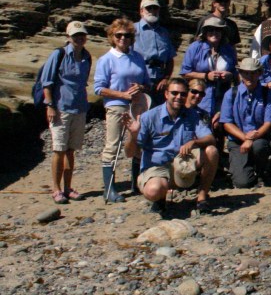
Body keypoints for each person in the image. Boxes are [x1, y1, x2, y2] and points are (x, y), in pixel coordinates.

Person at [124, 77, 219, 215]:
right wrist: (133, 135)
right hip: (158, 166)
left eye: (183, 94)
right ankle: (160, 196)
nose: (179, 97)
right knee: (153, 191)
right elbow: (129, 153)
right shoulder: (149, 117)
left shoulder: (192, 115)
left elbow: (210, 138)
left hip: (182, 162)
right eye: (174, 93)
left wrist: (194, 142)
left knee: (211, 151)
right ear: (166, 94)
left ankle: (202, 197)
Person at [93, 18, 150, 202]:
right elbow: (99, 88)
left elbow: (147, 82)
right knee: (113, 145)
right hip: (116, 106)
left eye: (127, 35)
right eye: (119, 35)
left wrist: (140, 87)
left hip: (138, 104)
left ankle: (137, 183)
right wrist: (122, 95)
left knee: (139, 141)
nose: (123, 38)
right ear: (112, 37)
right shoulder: (106, 60)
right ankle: (109, 189)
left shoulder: (138, 57)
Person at [42, 22, 92, 204]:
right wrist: (50, 105)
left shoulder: (87, 57)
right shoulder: (59, 54)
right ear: (69, 37)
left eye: (82, 35)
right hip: (61, 108)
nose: (79, 38)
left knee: (71, 150)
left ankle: (68, 188)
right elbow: (47, 82)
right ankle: (56, 189)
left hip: (79, 108)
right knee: (59, 149)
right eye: (76, 35)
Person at [220, 58, 271, 188]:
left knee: (259, 147)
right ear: (240, 73)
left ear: (259, 73)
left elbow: (268, 123)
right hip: (238, 140)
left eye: (253, 73)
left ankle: (261, 171)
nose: (249, 76)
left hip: (259, 138)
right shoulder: (231, 94)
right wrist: (245, 138)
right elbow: (227, 123)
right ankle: (245, 167)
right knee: (242, 182)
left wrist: (251, 139)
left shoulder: (267, 94)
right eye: (245, 73)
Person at [181, 17, 238, 128]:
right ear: (205, 32)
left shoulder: (229, 50)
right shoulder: (195, 47)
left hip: (221, 96)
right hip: (199, 96)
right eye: (211, 30)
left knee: (217, 127)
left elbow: (236, 72)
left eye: (218, 30)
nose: (214, 33)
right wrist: (206, 76)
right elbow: (185, 73)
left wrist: (230, 75)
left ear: (222, 32)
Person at [133, 0, 176, 105]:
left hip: (159, 83)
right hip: (139, 81)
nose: (152, 11)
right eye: (149, 8)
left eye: (155, 8)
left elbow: (170, 59)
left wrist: (166, 78)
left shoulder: (164, 33)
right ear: (141, 11)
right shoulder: (132, 30)